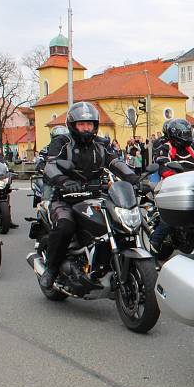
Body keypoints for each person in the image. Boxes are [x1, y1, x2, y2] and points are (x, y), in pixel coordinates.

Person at [39, 101, 138, 290]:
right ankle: (51, 269)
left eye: (90, 124)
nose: (86, 128)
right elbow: (50, 166)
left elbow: (115, 162)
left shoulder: (101, 144)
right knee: (65, 226)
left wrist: (134, 178)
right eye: (82, 124)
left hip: (95, 195)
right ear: (73, 125)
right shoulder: (62, 143)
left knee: (118, 220)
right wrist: (64, 182)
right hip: (65, 198)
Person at [150, 118, 194, 255]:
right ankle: (155, 243)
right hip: (171, 186)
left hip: (191, 186)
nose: (186, 137)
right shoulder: (165, 148)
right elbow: (163, 168)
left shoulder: (193, 149)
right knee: (170, 218)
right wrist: (177, 177)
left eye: (188, 134)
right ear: (175, 135)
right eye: (183, 134)